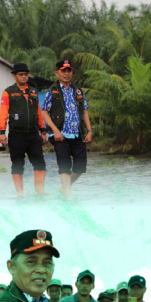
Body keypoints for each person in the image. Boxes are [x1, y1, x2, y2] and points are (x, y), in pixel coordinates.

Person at [41, 60, 93, 199]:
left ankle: (64, 188)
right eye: (63, 71)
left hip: (77, 134)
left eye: (69, 70)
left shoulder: (78, 91)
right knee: (64, 165)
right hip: (60, 135)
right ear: (57, 73)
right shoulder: (52, 91)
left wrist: (89, 131)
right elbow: (44, 112)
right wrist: (55, 131)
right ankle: (68, 196)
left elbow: (85, 112)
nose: (66, 74)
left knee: (80, 167)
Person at [0, 63, 48, 196]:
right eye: (20, 74)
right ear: (14, 76)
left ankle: (40, 191)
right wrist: (2, 132)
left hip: (33, 135)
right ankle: (20, 193)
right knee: (17, 164)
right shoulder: (8, 92)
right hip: (16, 135)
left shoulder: (33, 91)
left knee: (40, 163)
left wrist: (43, 131)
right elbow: (3, 113)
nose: (24, 76)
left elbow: (38, 112)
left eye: (26, 74)